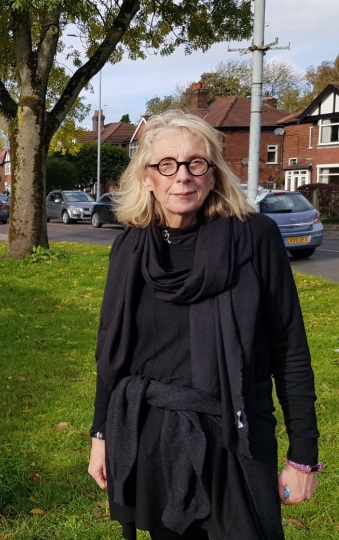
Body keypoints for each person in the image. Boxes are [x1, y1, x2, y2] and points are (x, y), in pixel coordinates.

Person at [87, 111, 320, 539]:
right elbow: (111, 351)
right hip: (151, 436)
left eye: (197, 164)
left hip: (236, 435)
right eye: (167, 165)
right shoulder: (129, 250)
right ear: (147, 178)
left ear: (213, 176)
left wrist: (302, 455)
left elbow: (290, 348)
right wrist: (102, 433)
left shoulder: (255, 238)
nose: (183, 177)